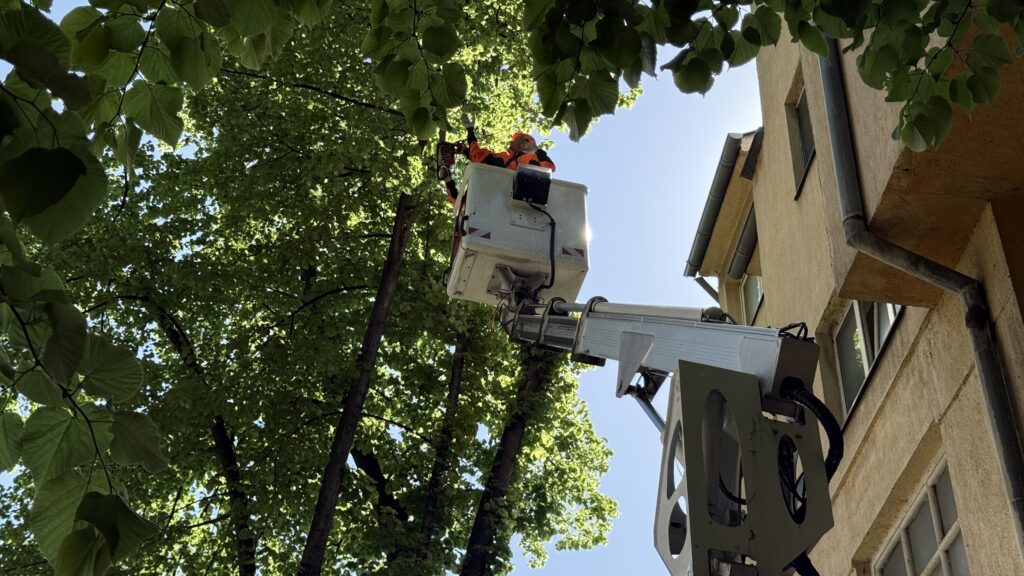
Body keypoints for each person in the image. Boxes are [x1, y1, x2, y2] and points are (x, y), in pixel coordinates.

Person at [462, 112, 556, 172]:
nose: (513, 141)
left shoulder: (533, 159)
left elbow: (550, 168)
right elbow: (477, 155)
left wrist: (536, 151)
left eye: (520, 138)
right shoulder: (502, 157)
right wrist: (470, 131)